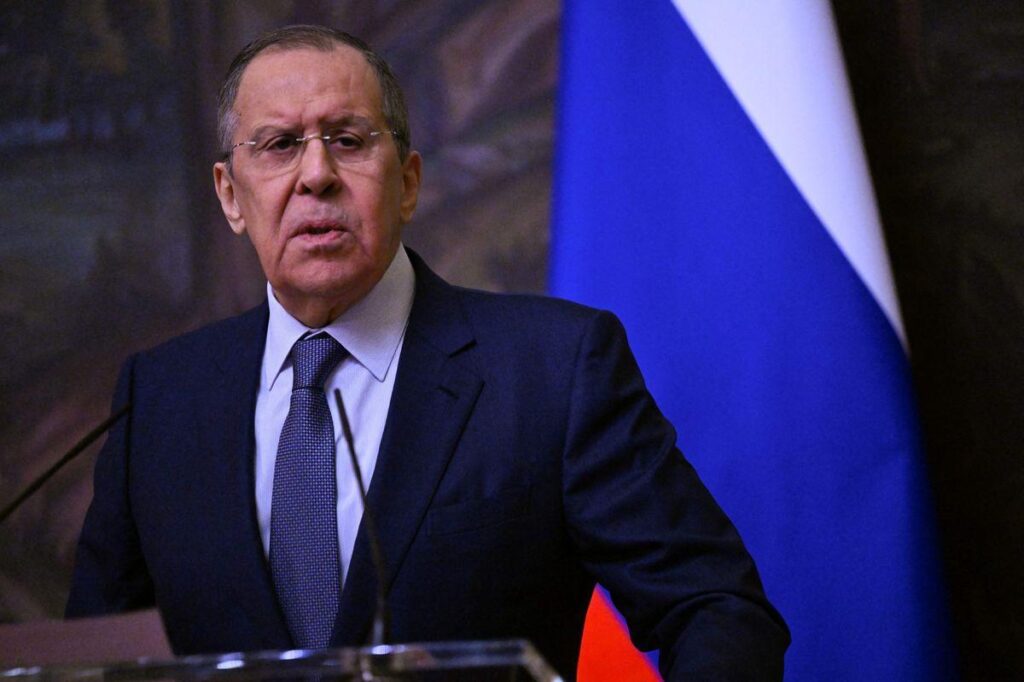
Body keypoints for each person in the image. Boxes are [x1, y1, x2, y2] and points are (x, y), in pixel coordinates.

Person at [66, 25, 789, 680]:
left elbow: (718, 609)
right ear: (230, 194)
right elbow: (90, 658)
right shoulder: (161, 399)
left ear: (408, 182)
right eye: (280, 145)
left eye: (348, 140)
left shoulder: (552, 368)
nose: (316, 174)